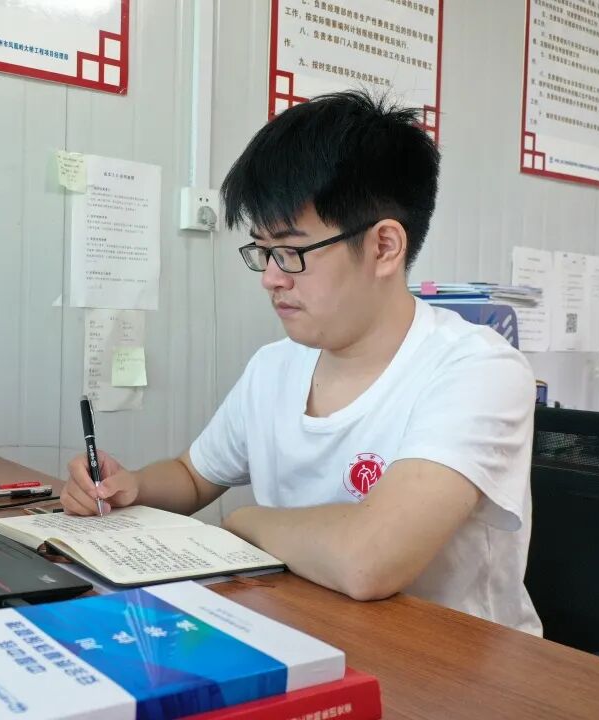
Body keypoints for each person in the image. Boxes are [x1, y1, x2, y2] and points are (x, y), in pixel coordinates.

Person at [61, 90, 542, 635]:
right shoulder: (276, 366)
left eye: (291, 253)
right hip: (305, 631)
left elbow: (370, 560)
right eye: (263, 252)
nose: (271, 278)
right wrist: (129, 487)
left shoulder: (477, 369)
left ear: (385, 247)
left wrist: (245, 521)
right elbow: (193, 476)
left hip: (451, 663)